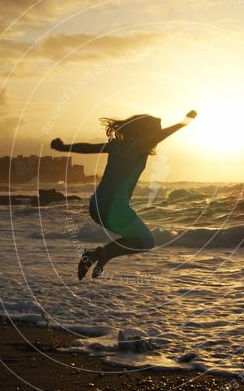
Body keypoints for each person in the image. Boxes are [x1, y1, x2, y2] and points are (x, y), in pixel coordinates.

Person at [51, 110, 197, 280]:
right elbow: (160, 136)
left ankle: (97, 256)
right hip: (114, 208)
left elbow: (88, 148)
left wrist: (63, 147)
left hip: (95, 206)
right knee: (146, 241)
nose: (157, 133)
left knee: (133, 238)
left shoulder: (116, 146)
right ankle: (101, 254)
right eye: (155, 130)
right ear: (145, 131)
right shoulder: (141, 146)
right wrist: (184, 122)